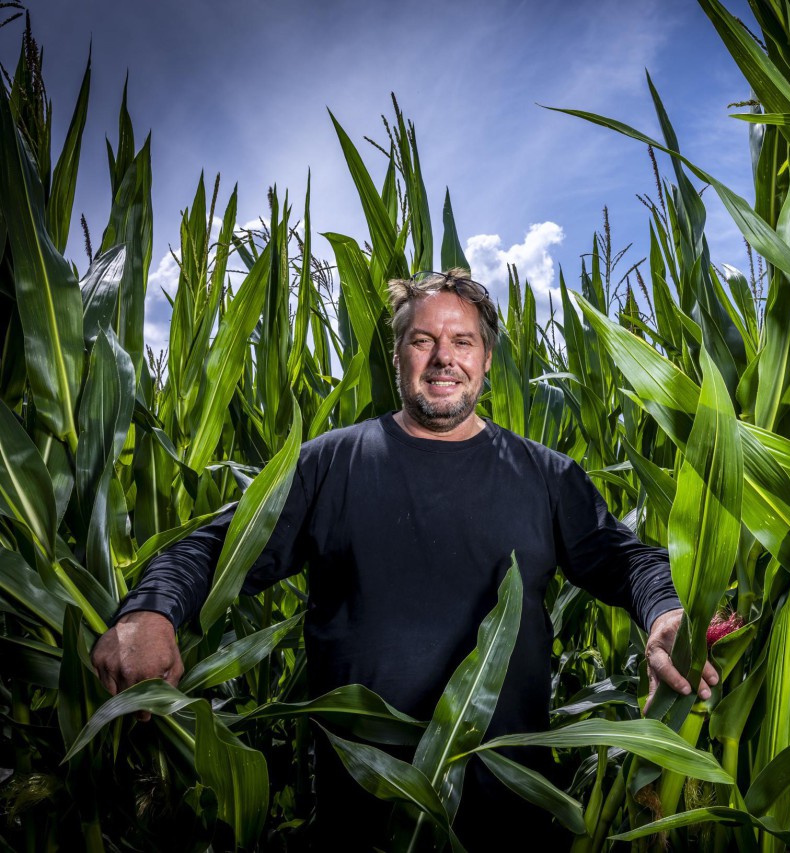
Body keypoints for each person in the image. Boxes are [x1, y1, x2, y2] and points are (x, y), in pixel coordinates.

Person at [91, 269, 718, 848]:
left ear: (487, 359)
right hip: (358, 814)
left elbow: (627, 560)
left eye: (463, 342)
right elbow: (212, 549)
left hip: (514, 815)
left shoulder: (547, 477)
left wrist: (665, 610)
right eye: (424, 340)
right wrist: (149, 613)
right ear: (398, 356)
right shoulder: (328, 464)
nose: (445, 357)